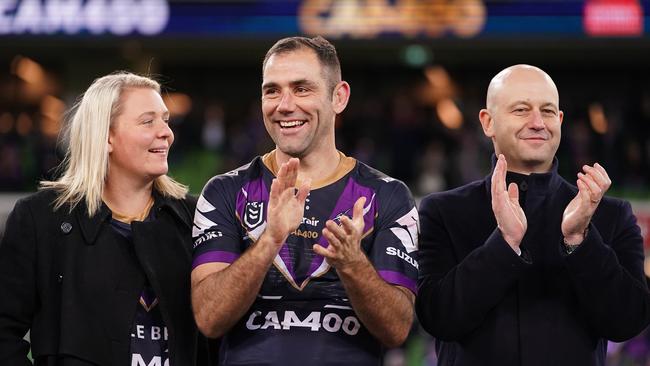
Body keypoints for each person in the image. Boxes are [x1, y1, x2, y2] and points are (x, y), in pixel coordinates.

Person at [191, 36, 419, 365]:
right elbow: (209, 318)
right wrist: (269, 240)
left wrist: (352, 263)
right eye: (272, 90)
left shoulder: (387, 195)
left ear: (338, 97)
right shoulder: (224, 191)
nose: (284, 105)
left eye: (301, 89)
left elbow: (396, 328)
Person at [415, 64, 650, 365]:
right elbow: (438, 318)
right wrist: (503, 244)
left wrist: (580, 242)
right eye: (521, 110)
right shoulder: (443, 211)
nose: (538, 122)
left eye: (548, 111)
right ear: (488, 122)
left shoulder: (610, 214)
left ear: (560, 121)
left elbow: (628, 321)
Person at [0, 72, 210, 365]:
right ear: (106, 136)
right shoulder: (39, 219)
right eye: (148, 121)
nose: (166, 132)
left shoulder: (197, 217)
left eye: (165, 120)